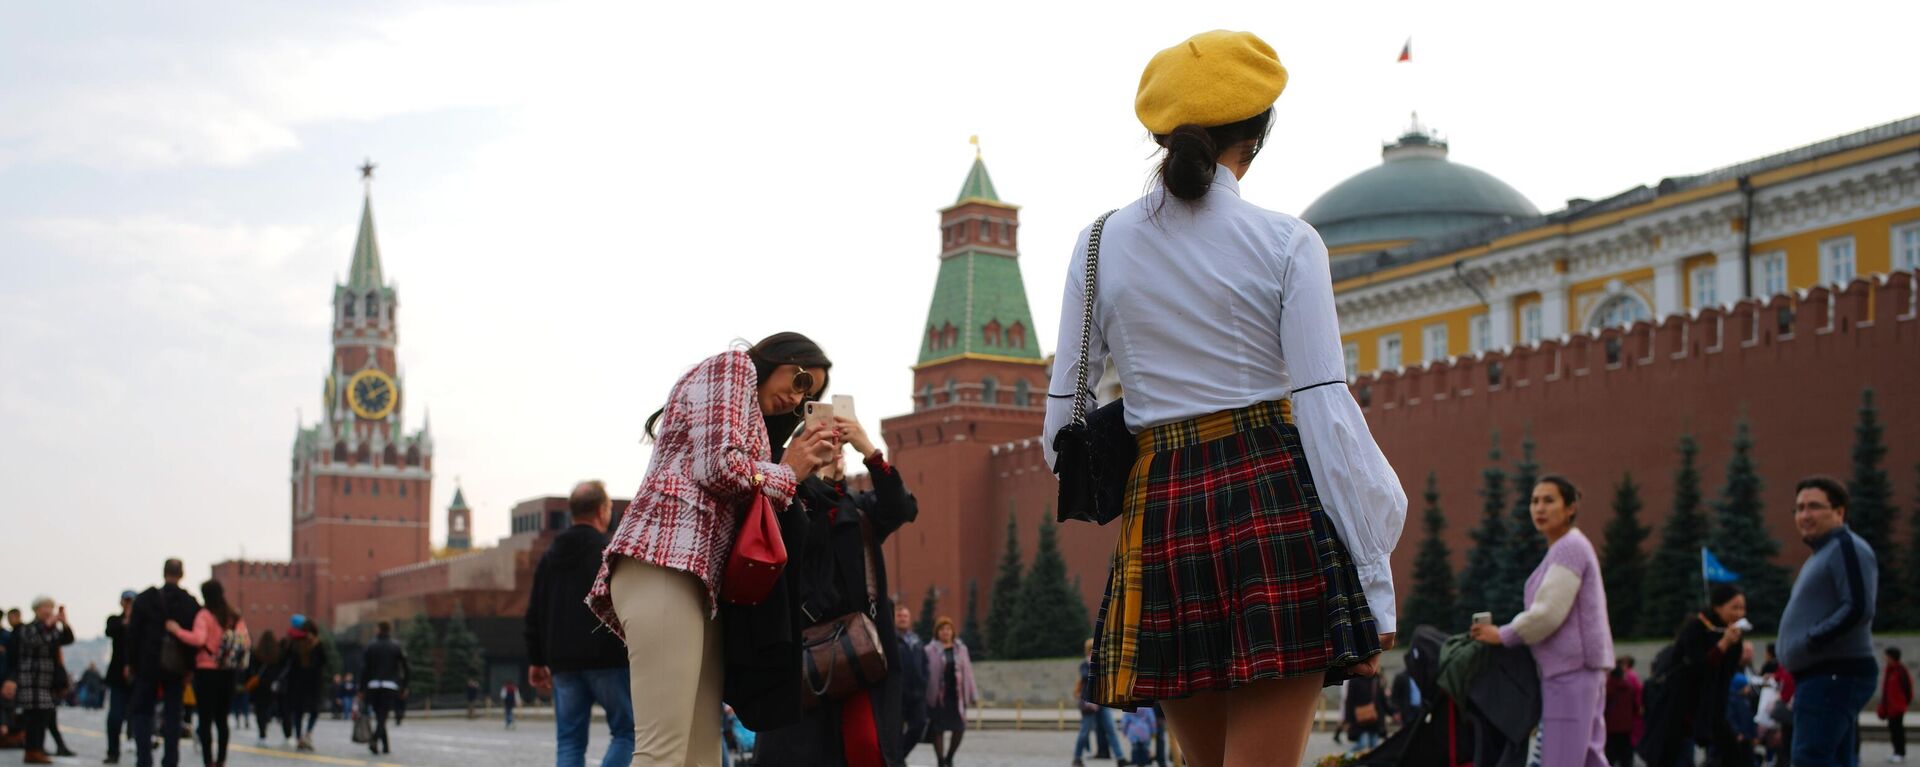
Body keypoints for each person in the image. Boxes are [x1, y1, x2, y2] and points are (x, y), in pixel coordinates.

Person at [1039, 30, 1404, 767]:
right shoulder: (1288, 243)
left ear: (1158, 134)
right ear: (1258, 133)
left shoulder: (1097, 243)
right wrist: (1374, 577)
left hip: (1162, 508)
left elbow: (1060, 431)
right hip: (1271, 501)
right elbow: (1328, 414)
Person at [587, 333, 838, 767]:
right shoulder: (734, 366)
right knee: (663, 752)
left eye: (808, 398)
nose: (797, 400)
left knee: (700, 756)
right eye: (800, 381)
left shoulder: (756, 428)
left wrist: (797, 473)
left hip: (702, 583)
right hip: (664, 558)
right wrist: (789, 471)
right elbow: (718, 466)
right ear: (778, 358)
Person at [754, 412, 920, 767]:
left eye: (839, 447)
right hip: (800, 659)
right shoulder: (787, 503)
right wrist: (807, 478)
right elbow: (793, 530)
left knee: (866, 750)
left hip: (859, 657)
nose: (836, 452)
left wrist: (868, 449)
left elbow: (901, 507)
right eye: (824, 446)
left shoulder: (859, 509)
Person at [1469, 476, 1613, 767]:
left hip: (1569, 672)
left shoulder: (1568, 547)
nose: (1539, 508)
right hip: (1582, 671)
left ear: (1570, 508)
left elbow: (1548, 613)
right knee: (1588, 759)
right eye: (1534, 501)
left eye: (1549, 500)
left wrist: (1503, 634)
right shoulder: (1569, 546)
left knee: (1562, 760)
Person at [525, 480, 635, 767]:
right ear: (602, 510)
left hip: (563, 664)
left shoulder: (549, 556)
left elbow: (535, 610)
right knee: (627, 733)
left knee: (570, 742)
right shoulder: (608, 551)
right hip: (608, 659)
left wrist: (537, 660)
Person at [1778, 476, 1879, 767]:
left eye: (1814, 507)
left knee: (1810, 758)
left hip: (1834, 674)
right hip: (1823, 675)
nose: (1804, 515)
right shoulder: (1822, 554)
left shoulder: (1846, 546)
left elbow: (1858, 607)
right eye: (1799, 508)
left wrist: (1813, 640)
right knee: (1833, 758)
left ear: (1839, 512)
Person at [1637, 584, 1749, 767]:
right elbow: (1698, 666)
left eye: (1742, 608)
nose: (1739, 613)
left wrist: (1732, 644)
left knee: (1732, 751)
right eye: (1734, 607)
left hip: (1711, 704)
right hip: (1681, 701)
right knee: (1667, 752)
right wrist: (1723, 644)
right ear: (1717, 607)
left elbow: (1726, 673)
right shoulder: (1696, 627)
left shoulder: (1733, 635)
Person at [128, 559, 203, 767]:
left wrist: (131, 662)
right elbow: (194, 639)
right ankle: (171, 760)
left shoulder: (145, 599)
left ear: (163, 573)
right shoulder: (189, 602)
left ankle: (144, 759)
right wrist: (190, 668)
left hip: (147, 663)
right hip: (177, 666)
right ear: (182, 574)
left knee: (143, 712)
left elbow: (133, 634)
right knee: (173, 715)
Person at [166, 580, 248, 767]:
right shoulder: (234, 616)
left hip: (206, 671)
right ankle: (221, 760)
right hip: (228, 671)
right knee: (222, 719)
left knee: (205, 719)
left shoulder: (204, 615)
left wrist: (177, 631)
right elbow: (244, 641)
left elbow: (198, 639)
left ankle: (208, 761)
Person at [0, 598, 75, 764]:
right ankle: (32, 750)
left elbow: (67, 639)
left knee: (44, 714)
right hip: (30, 679)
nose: (48, 610)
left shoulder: (52, 629)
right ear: (36, 610)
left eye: (50, 607)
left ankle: (37, 749)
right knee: (33, 716)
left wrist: (64, 623)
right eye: (44, 607)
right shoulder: (28, 628)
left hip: (46, 679)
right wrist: (49, 625)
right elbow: (35, 641)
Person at [923, 617, 977, 767]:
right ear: (937, 632)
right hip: (938, 695)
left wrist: (973, 694)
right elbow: (925, 673)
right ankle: (940, 761)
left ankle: (949, 757)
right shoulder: (929, 650)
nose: (945, 632)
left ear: (953, 631)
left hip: (956, 695)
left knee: (959, 728)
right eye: (942, 629)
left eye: (948, 629)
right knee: (937, 730)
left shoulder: (961, 649)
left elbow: (969, 672)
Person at [357, 622, 409, 756]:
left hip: (374, 685)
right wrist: (404, 686)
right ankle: (377, 741)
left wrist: (361, 688)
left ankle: (382, 744)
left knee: (380, 715)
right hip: (390, 685)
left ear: (379, 629)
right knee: (382, 716)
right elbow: (406, 667)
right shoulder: (396, 646)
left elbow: (365, 669)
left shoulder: (371, 646)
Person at [1073, 639, 1124, 767]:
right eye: (1092, 649)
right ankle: (1077, 758)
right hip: (1089, 703)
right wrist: (1092, 665)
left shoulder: (1102, 663)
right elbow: (1085, 677)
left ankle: (1120, 757)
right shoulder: (1084, 664)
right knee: (1084, 731)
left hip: (1102, 701)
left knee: (1111, 729)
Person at [279, 617, 325, 752]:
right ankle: (303, 736)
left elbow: (321, 662)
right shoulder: (298, 644)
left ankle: (304, 735)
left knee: (306, 711)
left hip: (304, 682)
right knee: (304, 711)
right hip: (305, 682)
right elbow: (323, 662)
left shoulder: (313, 644)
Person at [104, 590, 136, 764]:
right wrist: (127, 621)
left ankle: (139, 748)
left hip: (137, 675)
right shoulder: (115, 620)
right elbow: (110, 631)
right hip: (117, 676)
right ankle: (113, 751)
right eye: (127, 601)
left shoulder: (141, 623)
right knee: (115, 717)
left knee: (139, 715)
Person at [894, 606, 929, 761]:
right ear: (894, 618)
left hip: (917, 693)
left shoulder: (916, 640)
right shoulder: (890, 638)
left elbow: (925, 663)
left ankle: (899, 757)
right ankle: (897, 760)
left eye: (905, 616)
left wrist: (924, 681)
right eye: (899, 615)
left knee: (919, 725)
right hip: (898, 694)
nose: (903, 618)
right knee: (895, 729)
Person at [1605, 659, 1643, 767]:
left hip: (1610, 728)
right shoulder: (1629, 688)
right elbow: (1636, 707)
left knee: (1610, 757)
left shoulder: (1606, 689)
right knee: (1626, 757)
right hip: (1626, 728)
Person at [247, 631, 279, 746]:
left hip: (258, 686)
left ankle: (262, 734)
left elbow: (250, 669)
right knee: (266, 709)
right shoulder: (276, 655)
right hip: (270, 686)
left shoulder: (256, 653)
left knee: (259, 710)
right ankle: (264, 729)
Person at [1341, 675, 1388, 753]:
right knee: (1362, 744)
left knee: (1374, 746)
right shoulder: (1354, 680)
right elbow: (1349, 701)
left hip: (1375, 719)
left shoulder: (1376, 679)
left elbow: (1382, 700)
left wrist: (1392, 712)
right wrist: (1348, 719)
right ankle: (1346, 757)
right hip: (1359, 720)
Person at [1881, 646, 1912, 764]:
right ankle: (1896, 752)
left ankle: (1900, 753)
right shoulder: (1890, 670)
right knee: (1893, 730)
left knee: (1898, 730)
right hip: (1890, 707)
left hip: (1898, 707)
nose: (1884, 658)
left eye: (1886, 655)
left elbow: (1908, 689)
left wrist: (1903, 703)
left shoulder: (1900, 670)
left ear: (1891, 657)